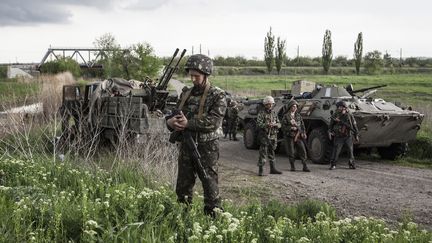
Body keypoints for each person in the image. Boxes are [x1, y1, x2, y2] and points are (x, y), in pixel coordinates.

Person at [166, 54, 227, 216]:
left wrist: (189, 123)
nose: (193, 79)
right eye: (191, 75)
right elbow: (175, 113)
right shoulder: (186, 93)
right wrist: (171, 122)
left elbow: (214, 122)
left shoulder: (218, 95)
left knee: (210, 185)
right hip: (186, 144)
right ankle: (182, 216)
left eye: (197, 76)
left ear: (206, 75)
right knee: (183, 186)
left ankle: (213, 218)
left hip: (207, 147)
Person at [328, 101, 359, 170]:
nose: (340, 108)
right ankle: (333, 164)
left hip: (348, 135)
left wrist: (356, 134)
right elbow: (331, 125)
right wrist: (329, 132)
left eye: (341, 107)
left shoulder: (349, 114)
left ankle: (352, 164)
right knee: (336, 151)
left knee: (350, 151)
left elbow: (354, 125)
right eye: (339, 107)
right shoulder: (335, 115)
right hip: (339, 136)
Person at [281, 100, 310, 172]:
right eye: (293, 106)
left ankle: (305, 166)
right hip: (289, 136)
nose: (295, 108)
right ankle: (292, 166)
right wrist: (290, 128)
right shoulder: (286, 116)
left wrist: (304, 133)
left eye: (296, 106)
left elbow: (302, 125)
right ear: (290, 107)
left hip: (298, 135)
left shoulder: (298, 116)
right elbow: (283, 127)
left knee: (303, 150)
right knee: (291, 152)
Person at [256, 96, 282, 176]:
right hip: (265, 136)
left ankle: (272, 169)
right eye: (268, 104)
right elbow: (258, 124)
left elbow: (279, 124)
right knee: (263, 153)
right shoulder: (261, 113)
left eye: (271, 104)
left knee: (272, 152)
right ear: (265, 104)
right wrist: (266, 125)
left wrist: (275, 125)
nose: (270, 105)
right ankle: (261, 170)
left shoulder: (274, 113)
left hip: (273, 136)